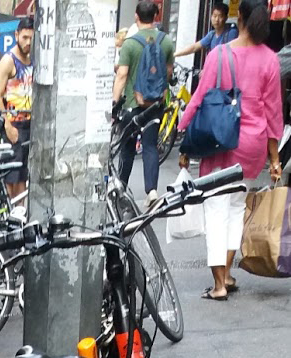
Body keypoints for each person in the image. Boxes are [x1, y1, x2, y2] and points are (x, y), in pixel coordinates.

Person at [178, 0, 283, 300]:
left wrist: (184, 135)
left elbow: (198, 98)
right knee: (237, 207)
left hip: (218, 140)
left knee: (215, 208)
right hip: (251, 145)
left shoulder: (219, 55)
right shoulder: (270, 60)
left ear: (241, 18)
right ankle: (227, 273)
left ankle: (219, 284)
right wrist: (274, 159)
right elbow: (274, 114)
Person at [113, 2, 175, 205]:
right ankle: (152, 192)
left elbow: (122, 75)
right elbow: (168, 72)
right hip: (155, 105)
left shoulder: (130, 44)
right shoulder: (165, 42)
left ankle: (120, 187)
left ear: (136, 17)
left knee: (127, 147)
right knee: (149, 145)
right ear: (157, 17)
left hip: (132, 104)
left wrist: (115, 103)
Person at [0, 17, 34, 198]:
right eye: (24, 38)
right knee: (13, 177)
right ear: (16, 35)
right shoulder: (8, 61)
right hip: (14, 125)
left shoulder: (32, 58)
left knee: (22, 176)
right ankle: (12, 215)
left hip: (29, 124)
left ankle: (20, 214)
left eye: (31, 38)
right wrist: (7, 125)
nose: (28, 43)